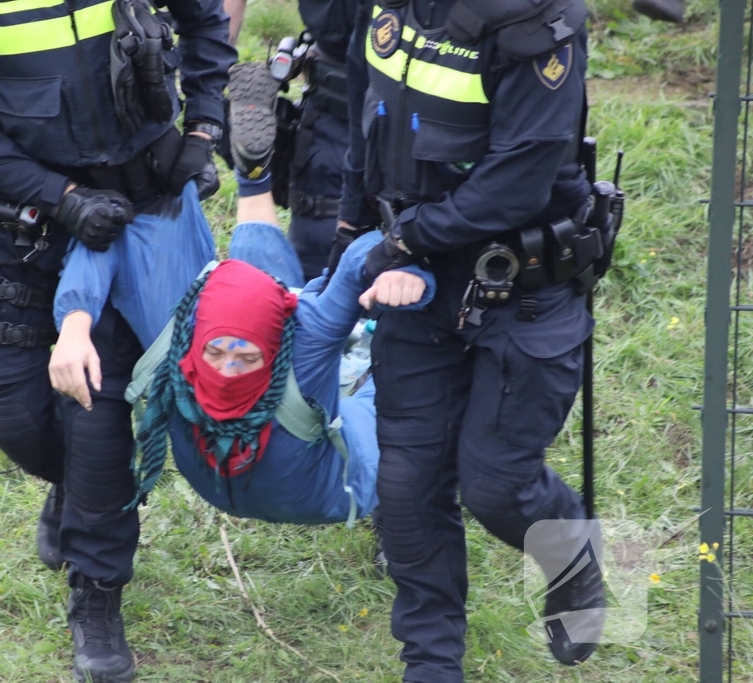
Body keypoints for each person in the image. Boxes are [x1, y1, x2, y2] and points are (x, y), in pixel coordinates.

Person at [0, 1, 234, 681]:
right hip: (18, 224)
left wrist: (202, 127)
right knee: (15, 419)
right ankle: (77, 490)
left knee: (99, 418)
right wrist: (58, 195)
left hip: (130, 217)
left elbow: (206, 22)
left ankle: (97, 593)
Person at [341, 0, 606, 680]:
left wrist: (402, 239)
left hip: (523, 287)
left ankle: (570, 553)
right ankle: (432, 665)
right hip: (418, 284)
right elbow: (363, 119)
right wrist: (352, 237)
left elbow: (515, 186)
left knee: (496, 486)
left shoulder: (535, 24)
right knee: (407, 484)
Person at [48, 184, 434, 527]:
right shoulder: (179, 333)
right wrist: (74, 325)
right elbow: (109, 238)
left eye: (247, 359)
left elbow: (362, 256)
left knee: (403, 372)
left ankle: (364, 362)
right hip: (230, 480)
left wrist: (402, 269)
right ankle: (255, 178)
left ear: (275, 346)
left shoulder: (309, 334)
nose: (227, 371)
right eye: (214, 354)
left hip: (336, 490)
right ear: (195, 336)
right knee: (254, 275)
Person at [222, 0, 362, 283]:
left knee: (314, 278)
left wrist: (210, 80)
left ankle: (253, 179)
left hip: (385, 108)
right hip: (337, 106)